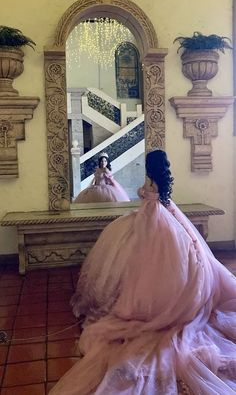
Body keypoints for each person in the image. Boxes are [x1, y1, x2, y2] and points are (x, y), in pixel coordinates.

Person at [50, 150, 236, 395]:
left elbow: (147, 195)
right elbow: (161, 198)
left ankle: (152, 305)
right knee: (173, 262)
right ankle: (170, 298)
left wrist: (142, 192)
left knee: (146, 261)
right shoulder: (164, 181)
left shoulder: (151, 181)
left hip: (151, 220)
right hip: (162, 217)